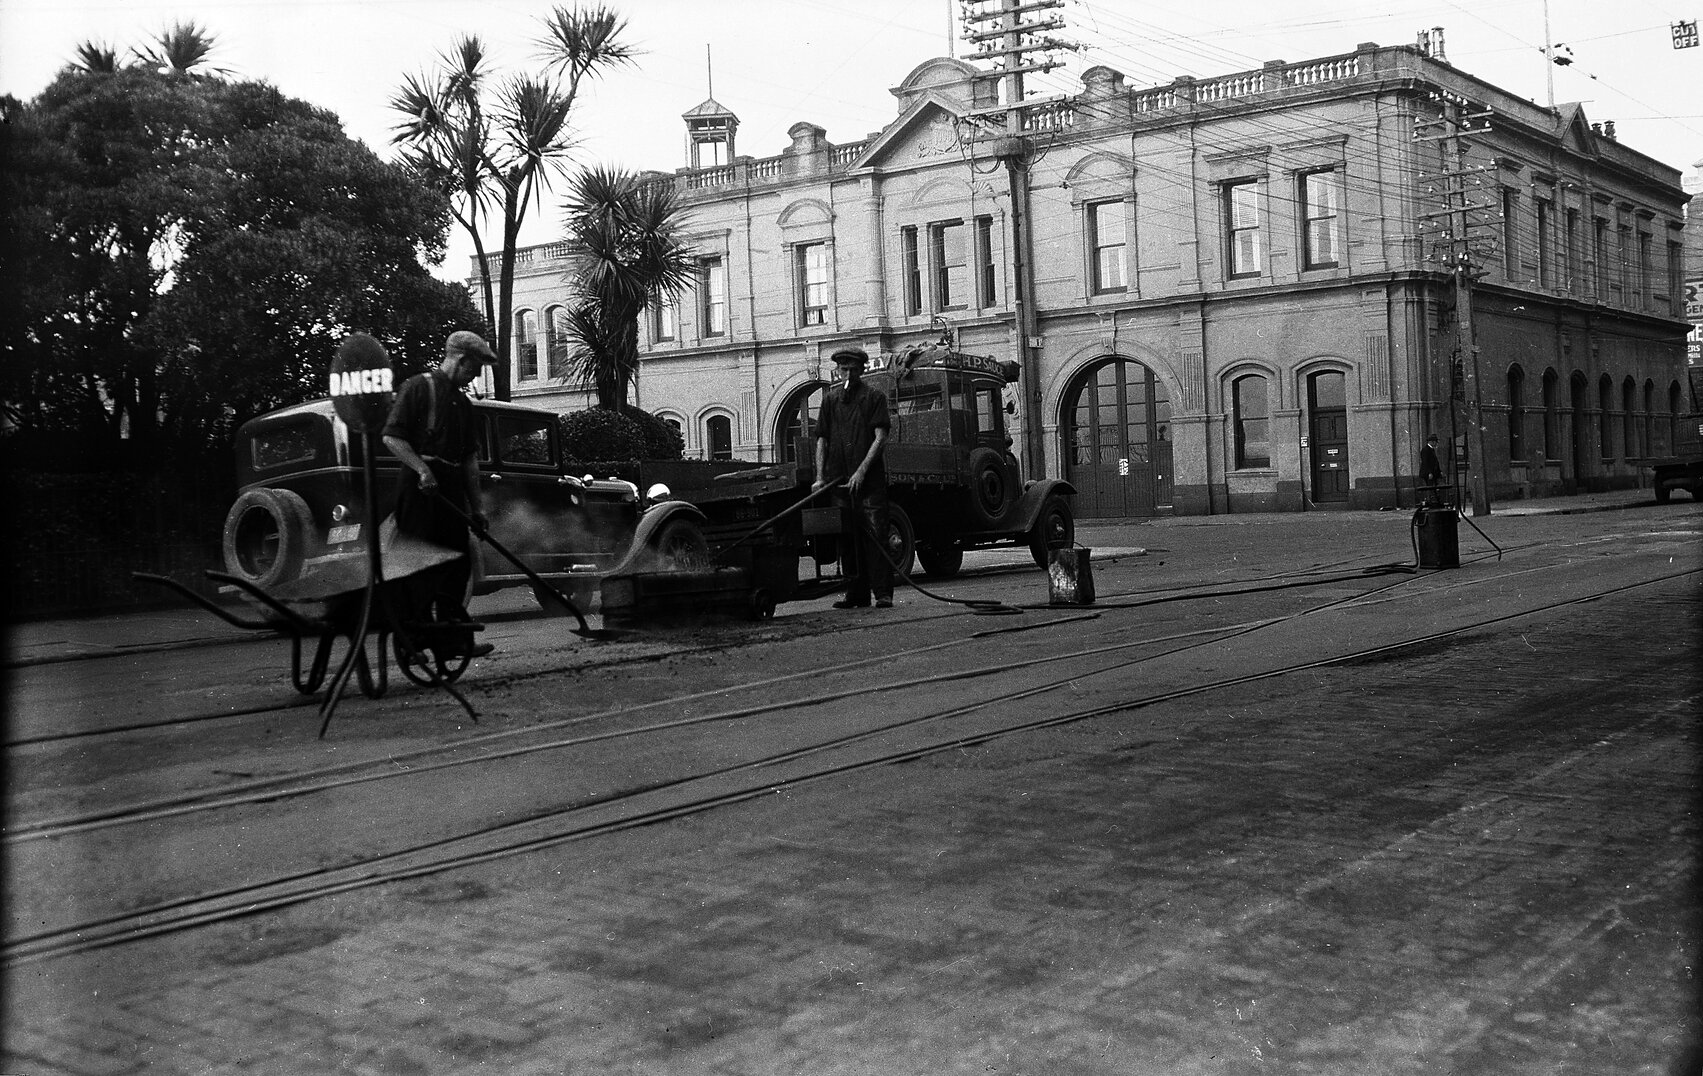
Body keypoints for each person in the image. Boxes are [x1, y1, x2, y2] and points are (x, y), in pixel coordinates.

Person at [382, 330, 498, 659]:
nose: (475, 375)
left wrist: (477, 508)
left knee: (457, 565)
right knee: (417, 567)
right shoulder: (418, 388)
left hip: (448, 488)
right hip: (419, 489)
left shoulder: (462, 404)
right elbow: (392, 438)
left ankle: (451, 640)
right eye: (474, 368)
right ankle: (412, 643)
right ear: (461, 360)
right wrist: (421, 468)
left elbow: (469, 460)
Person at [812, 347, 893, 609]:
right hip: (839, 482)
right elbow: (822, 439)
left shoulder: (874, 398)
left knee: (876, 536)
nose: (848, 375)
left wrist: (861, 471)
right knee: (847, 538)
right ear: (837, 371)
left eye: (853, 370)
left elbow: (880, 437)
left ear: (861, 371)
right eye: (843, 370)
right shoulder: (830, 401)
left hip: (869, 483)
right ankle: (855, 594)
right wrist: (820, 476)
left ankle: (883, 594)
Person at [1419, 433, 1444, 506]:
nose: (1436, 444)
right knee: (1430, 488)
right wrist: (1429, 473)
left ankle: (1435, 502)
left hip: (1433, 474)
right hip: (1428, 474)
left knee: (1434, 488)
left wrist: (1439, 471)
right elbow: (1425, 462)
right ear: (1432, 442)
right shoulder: (1425, 450)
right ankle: (1431, 502)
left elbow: (1435, 462)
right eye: (1436, 442)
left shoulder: (1431, 450)